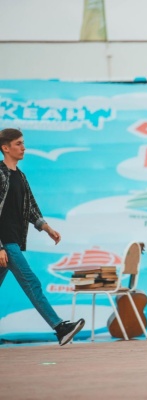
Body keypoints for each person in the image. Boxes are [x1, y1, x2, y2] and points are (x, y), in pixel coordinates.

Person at [0, 128, 85, 345]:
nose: (23, 147)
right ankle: (60, 328)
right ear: (5, 148)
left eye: (23, 143)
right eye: (18, 143)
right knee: (31, 282)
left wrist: (46, 228)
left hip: (12, 241)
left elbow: (30, 208)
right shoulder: (0, 175)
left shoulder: (20, 176)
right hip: (6, 243)